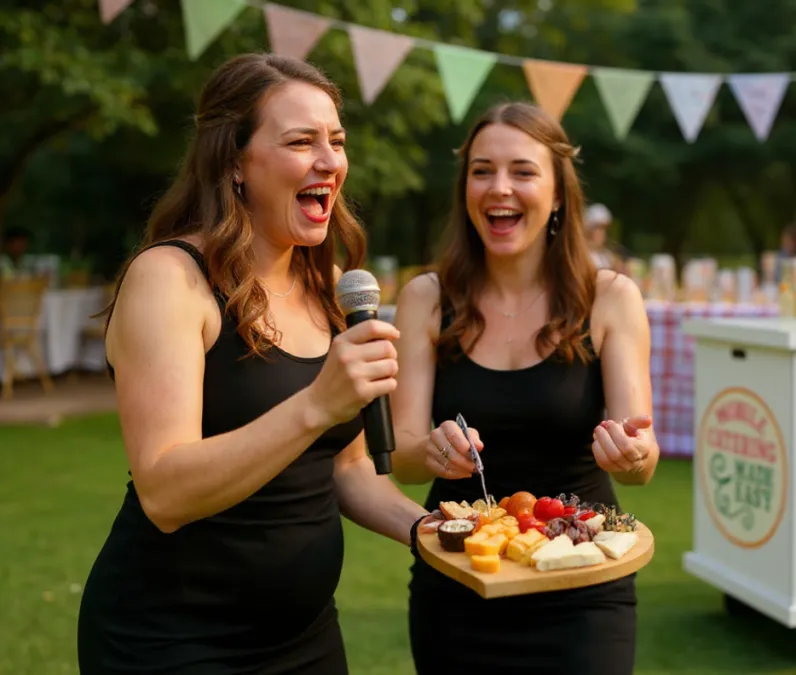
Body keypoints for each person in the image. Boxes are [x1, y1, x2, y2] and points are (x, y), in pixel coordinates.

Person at [76, 54, 429, 674]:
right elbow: (164, 490)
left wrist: (437, 532)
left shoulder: (330, 287)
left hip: (307, 639)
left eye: (337, 141)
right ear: (233, 162)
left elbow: (348, 469)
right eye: (301, 141)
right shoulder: (170, 279)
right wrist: (316, 404)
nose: (330, 161)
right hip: (171, 641)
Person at [389, 101, 658, 675]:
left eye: (523, 171)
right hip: (460, 577)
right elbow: (403, 461)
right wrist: (432, 450)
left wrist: (632, 452)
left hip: (583, 579)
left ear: (558, 194)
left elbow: (642, 462)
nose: (499, 188)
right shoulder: (425, 299)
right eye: (482, 171)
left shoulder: (610, 297)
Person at [584, 202, 628, 272]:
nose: (603, 233)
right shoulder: (583, 255)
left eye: (605, 229)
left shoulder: (607, 255)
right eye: (599, 228)